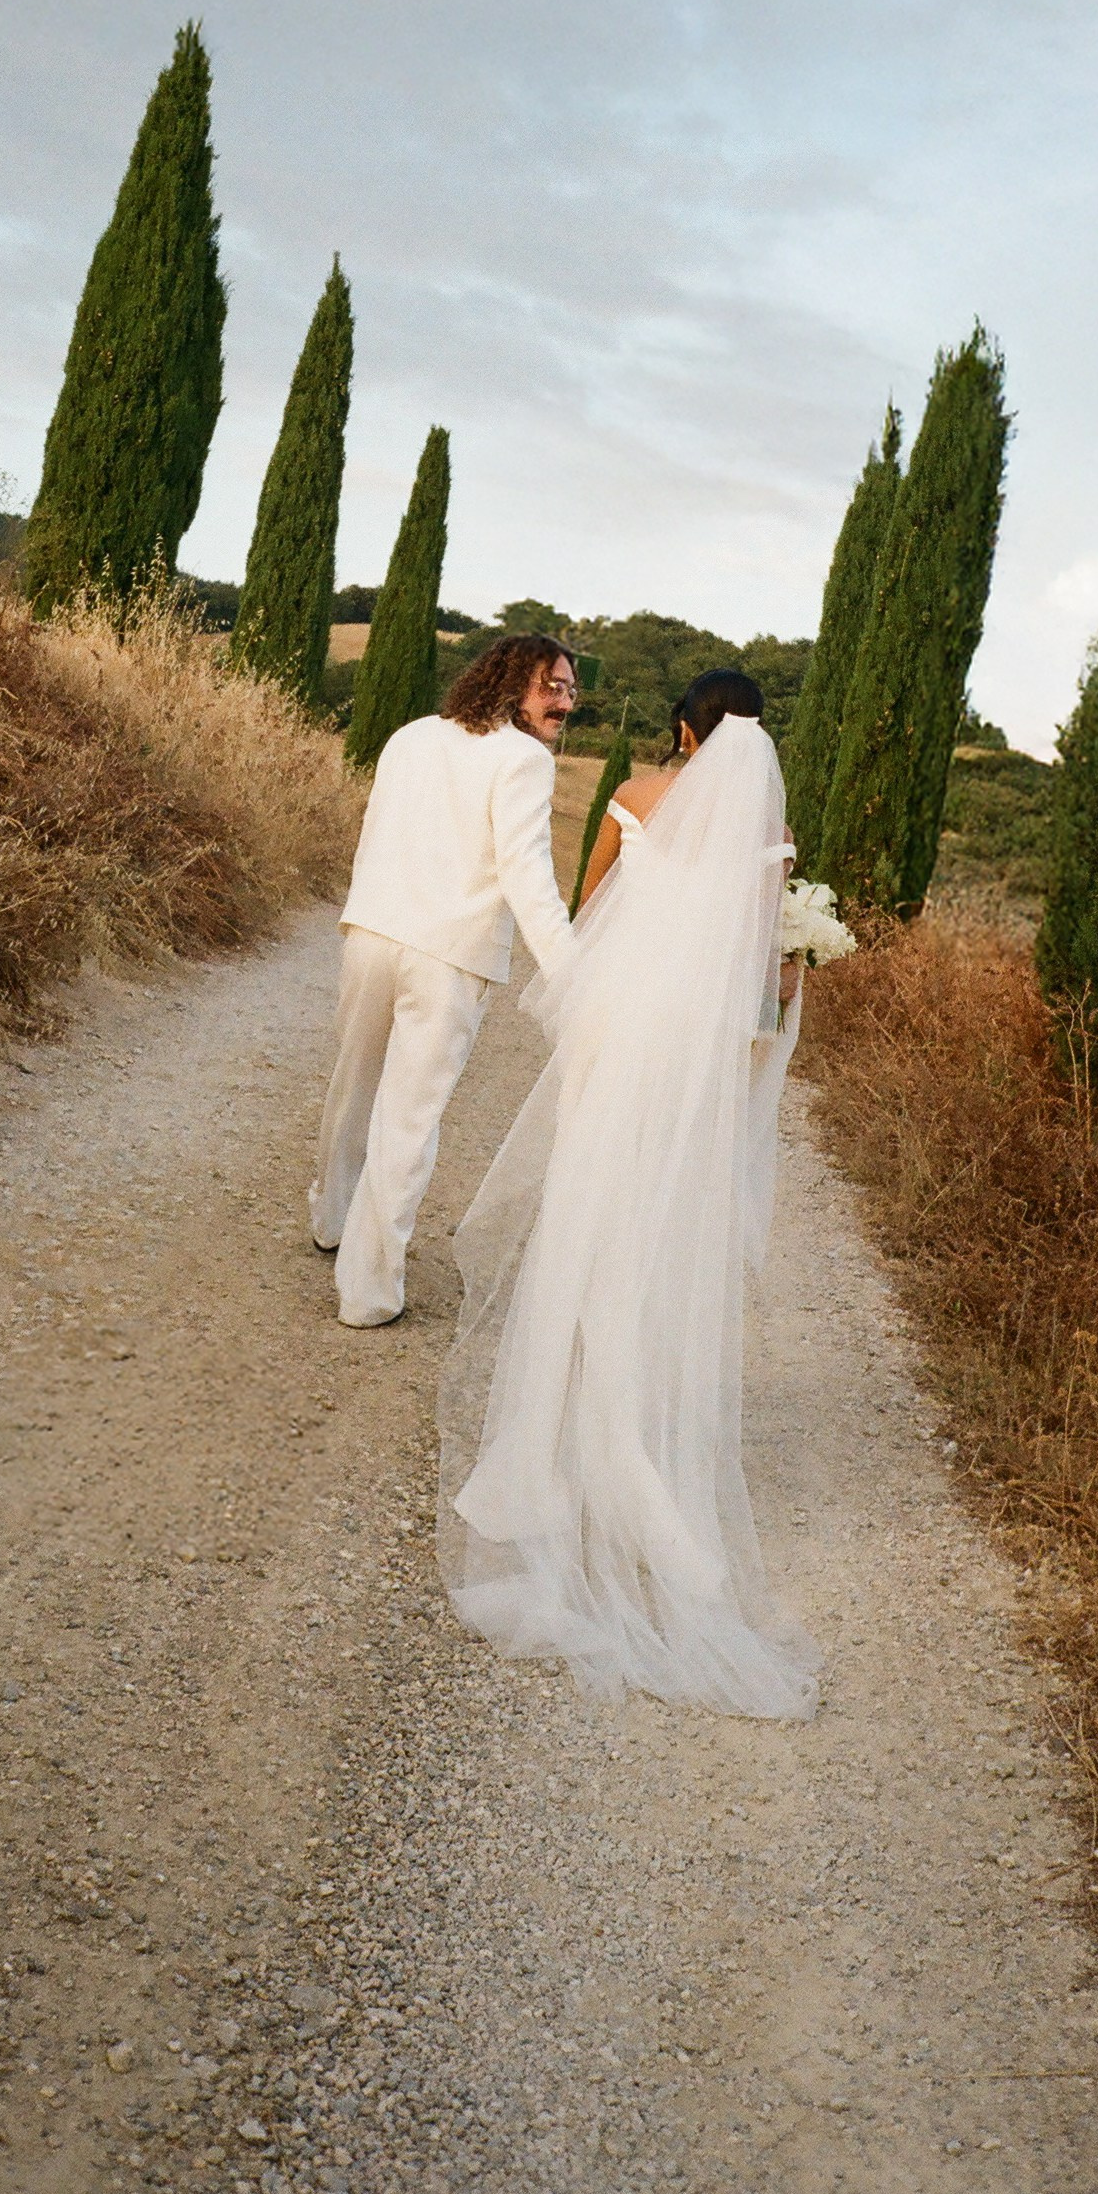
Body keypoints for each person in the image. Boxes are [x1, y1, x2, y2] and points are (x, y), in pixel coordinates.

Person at [438, 668, 821, 1719]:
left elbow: (589, 913)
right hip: (688, 1069)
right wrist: (794, 977)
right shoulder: (767, 836)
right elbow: (763, 971)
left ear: (681, 733)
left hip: (616, 1050)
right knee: (657, 1241)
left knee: (587, 1224)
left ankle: (559, 1442)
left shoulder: (633, 800)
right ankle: (633, 1444)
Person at [312, 632, 580, 1330]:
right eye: (551, 685)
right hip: (448, 957)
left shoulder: (410, 736)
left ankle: (330, 1219)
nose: (564, 701)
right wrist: (574, 978)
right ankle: (367, 1291)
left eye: (571, 689)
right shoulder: (523, 760)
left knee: (354, 1083)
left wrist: (362, 913)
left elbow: (374, 834)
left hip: (372, 932)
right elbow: (528, 877)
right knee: (408, 1116)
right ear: (510, 682)